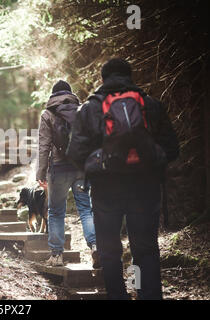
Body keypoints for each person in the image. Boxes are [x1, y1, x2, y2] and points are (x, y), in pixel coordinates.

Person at [66, 58, 179, 300]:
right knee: (145, 249)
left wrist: (96, 167)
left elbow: (75, 152)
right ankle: (147, 294)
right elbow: (172, 149)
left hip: (106, 189)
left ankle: (118, 295)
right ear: (131, 76)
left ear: (103, 78)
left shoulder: (89, 108)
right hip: (145, 187)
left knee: (109, 250)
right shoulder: (150, 105)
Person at [36, 80, 99, 268]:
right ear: (70, 94)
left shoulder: (48, 113)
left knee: (56, 211)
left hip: (58, 169)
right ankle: (95, 246)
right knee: (85, 209)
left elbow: (44, 146)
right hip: (80, 168)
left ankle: (56, 256)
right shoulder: (82, 111)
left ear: (53, 95)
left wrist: (40, 173)